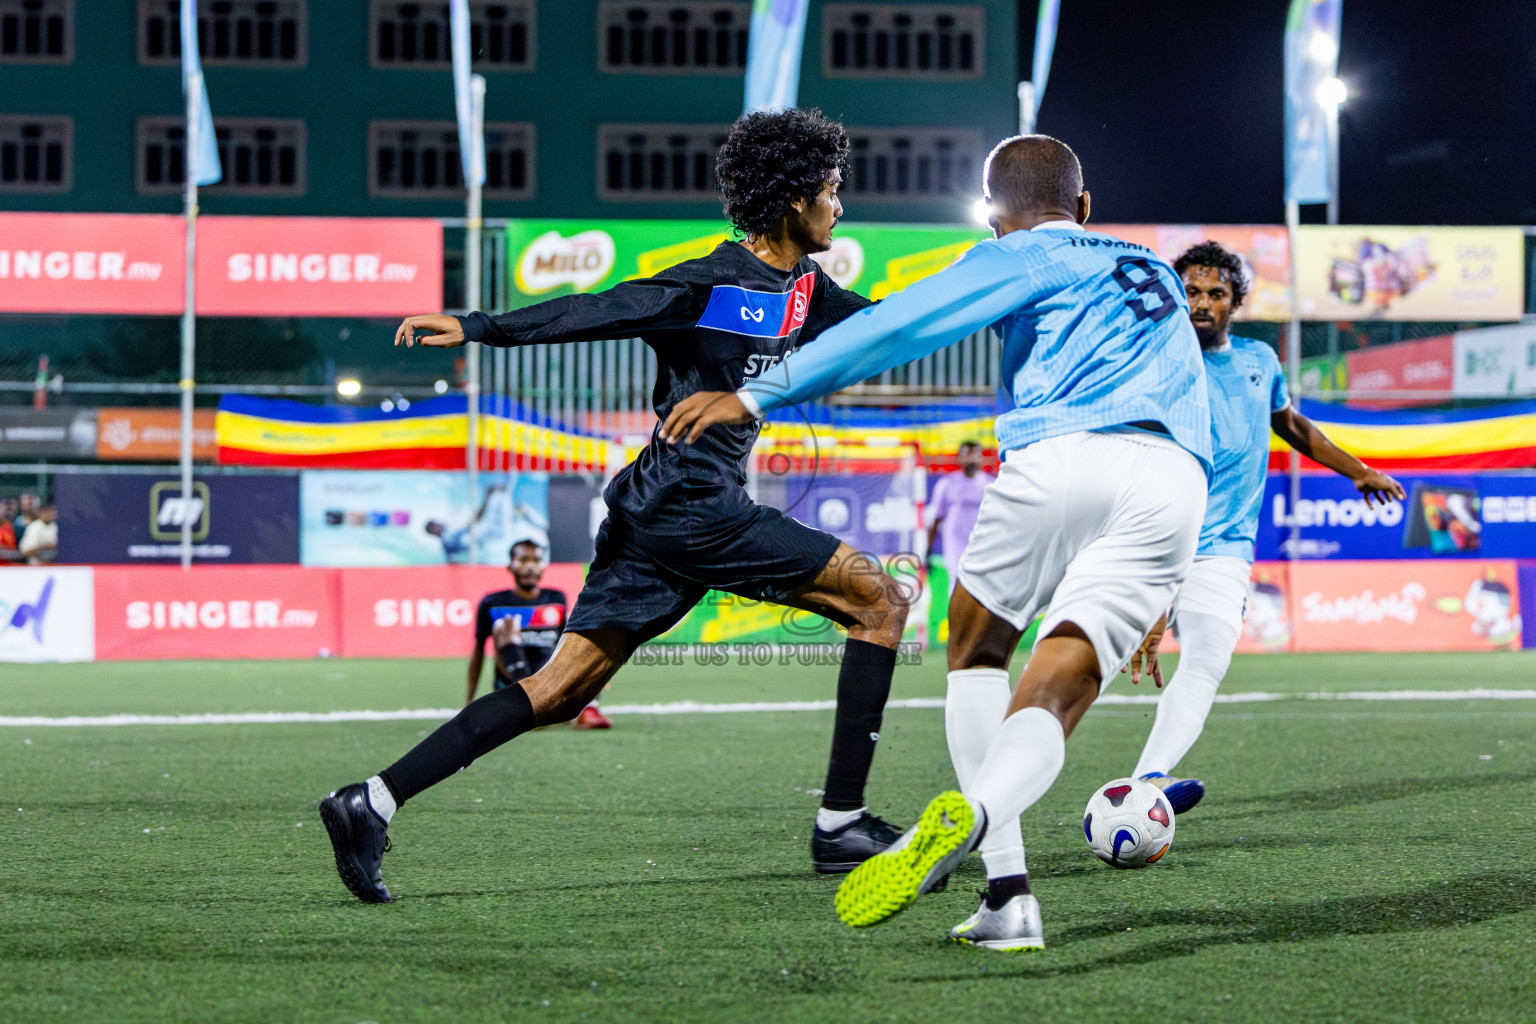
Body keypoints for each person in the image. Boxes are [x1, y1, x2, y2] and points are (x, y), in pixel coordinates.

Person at [321, 108, 910, 904]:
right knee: (877, 600)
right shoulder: (709, 284)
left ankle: (372, 801)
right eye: (832, 190)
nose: (841, 204)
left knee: (560, 691)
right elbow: (596, 308)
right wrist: (476, 326)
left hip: (656, 511)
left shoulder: (807, 289)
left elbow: (894, 325)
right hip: (690, 504)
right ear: (791, 201)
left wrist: (1004, 299)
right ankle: (841, 824)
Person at [663, 134, 1212, 951]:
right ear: (1086, 205)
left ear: (994, 217)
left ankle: (1008, 883)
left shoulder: (1019, 252)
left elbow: (895, 327)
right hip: (1175, 480)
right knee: (1060, 687)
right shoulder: (1157, 270)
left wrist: (756, 395)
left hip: (1060, 455)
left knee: (980, 651)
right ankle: (993, 846)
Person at [1126, 241, 1404, 811]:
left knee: (1206, 659)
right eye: (1192, 291)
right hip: (1150, 535)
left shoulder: (1259, 361)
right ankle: (1000, 792)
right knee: (1091, 659)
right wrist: (1156, 595)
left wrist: (1359, 471)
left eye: (1216, 293)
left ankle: (1146, 780)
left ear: (1236, 302)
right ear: (1175, 297)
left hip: (1224, 546)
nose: (1202, 302)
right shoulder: (1155, 360)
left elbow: (1291, 424)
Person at [469, 539, 612, 730]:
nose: (530, 566)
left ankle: (585, 706)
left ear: (544, 566)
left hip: (552, 682)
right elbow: (478, 652)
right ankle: (531, 705)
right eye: (523, 560)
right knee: (504, 627)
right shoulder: (492, 602)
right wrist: (468, 703)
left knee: (588, 635)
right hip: (514, 684)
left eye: (536, 560)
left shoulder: (556, 598)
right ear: (510, 566)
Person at [924, 441, 994, 594]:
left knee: (984, 585)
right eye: (967, 455)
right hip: (956, 543)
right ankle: (956, 618)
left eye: (975, 455)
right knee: (957, 582)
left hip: (982, 543)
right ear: (960, 458)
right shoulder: (947, 484)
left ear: (981, 458)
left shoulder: (991, 485)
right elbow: (936, 519)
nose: (971, 459)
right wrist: (928, 550)